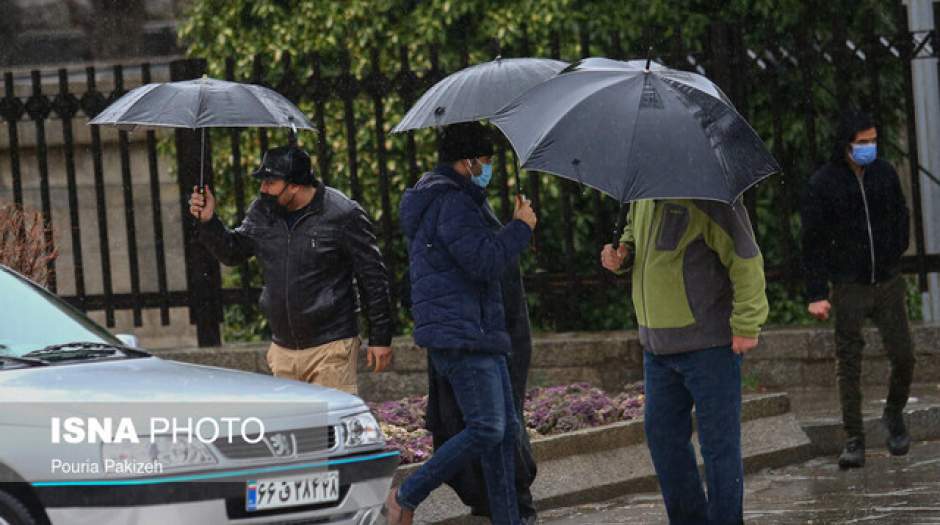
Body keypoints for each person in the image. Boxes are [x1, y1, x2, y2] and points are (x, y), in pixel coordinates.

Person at [384, 122, 537, 525]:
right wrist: (520, 227)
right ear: (467, 161)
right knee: (488, 429)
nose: (489, 169)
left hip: (481, 332)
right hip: (464, 334)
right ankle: (407, 493)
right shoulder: (451, 202)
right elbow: (484, 261)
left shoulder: (453, 198)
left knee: (501, 437)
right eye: (485, 161)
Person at [601, 197, 768, 525]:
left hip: (709, 347)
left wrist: (748, 323)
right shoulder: (643, 196)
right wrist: (623, 255)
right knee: (662, 437)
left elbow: (745, 257)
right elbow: (635, 237)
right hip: (657, 350)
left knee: (718, 446)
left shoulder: (712, 198)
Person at [189, 145, 394, 394]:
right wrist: (209, 222)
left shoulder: (342, 214)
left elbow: (372, 276)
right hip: (283, 348)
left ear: (295, 185)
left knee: (327, 427)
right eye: (262, 181)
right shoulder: (263, 212)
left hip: (331, 344)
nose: (263, 189)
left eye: (271, 182)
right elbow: (233, 252)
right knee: (295, 430)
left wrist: (380, 337)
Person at [800, 110, 915, 469]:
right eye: (862, 142)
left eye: (873, 141)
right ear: (846, 144)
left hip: (887, 280)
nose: (869, 148)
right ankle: (854, 438)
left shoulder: (884, 173)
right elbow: (813, 242)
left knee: (904, 354)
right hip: (849, 284)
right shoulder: (823, 183)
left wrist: (894, 251)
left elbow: (900, 214)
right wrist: (817, 292)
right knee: (849, 362)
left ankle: (894, 413)